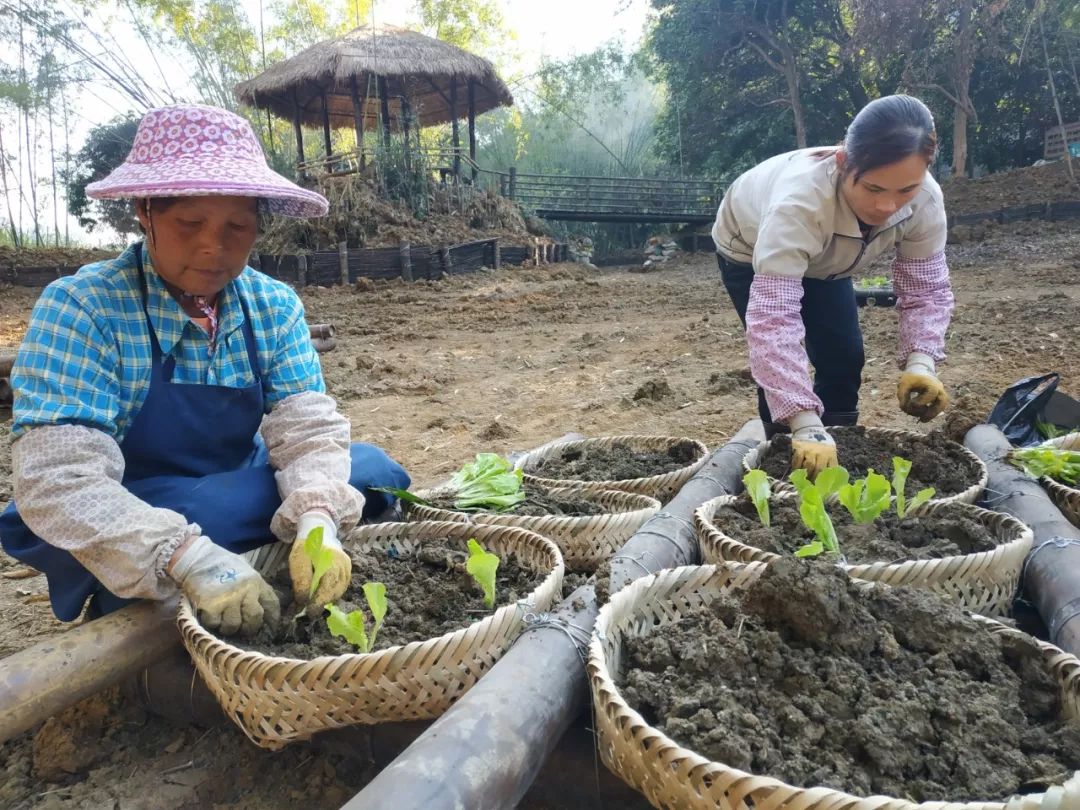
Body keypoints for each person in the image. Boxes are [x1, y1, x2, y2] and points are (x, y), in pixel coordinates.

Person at [0, 104, 410, 636]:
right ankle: (140, 581)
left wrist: (316, 522)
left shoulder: (273, 305)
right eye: (189, 223)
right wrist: (188, 555)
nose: (214, 247)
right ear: (145, 211)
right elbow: (59, 479)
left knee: (375, 471)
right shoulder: (84, 306)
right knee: (207, 513)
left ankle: (258, 548)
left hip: (236, 482)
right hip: (135, 503)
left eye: (237, 227)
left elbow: (305, 428)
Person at [712, 94, 954, 477]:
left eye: (904, 190)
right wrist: (804, 422)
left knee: (843, 357)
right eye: (874, 189)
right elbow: (774, 323)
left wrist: (922, 362)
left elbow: (927, 289)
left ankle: (841, 444)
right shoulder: (799, 204)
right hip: (748, 245)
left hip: (832, 261)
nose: (889, 206)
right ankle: (785, 450)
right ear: (843, 163)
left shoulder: (925, 200)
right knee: (778, 369)